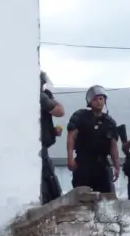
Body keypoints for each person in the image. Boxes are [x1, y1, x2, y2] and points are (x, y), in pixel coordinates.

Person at [65, 85, 121, 195]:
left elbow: (113, 146)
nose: (99, 102)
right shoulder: (80, 116)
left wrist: (117, 166)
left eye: (101, 99)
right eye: (95, 99)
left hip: (102, 165)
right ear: (90, 101)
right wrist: (70, 158)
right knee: (81, 197)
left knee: (105, 198)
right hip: (83, 164)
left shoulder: (109, 122)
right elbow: (71, 137)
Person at [40, 71, 66, 204]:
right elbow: (60, 111)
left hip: (41, 146)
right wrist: (51, 98)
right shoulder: (41, 97)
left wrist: (52, 131)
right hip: (40, 150)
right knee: (50, 185)